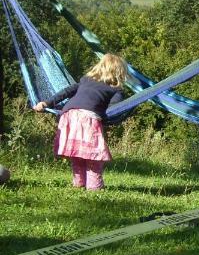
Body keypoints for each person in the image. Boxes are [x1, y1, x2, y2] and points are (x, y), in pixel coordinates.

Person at [33, 53, 128, 191]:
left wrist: (46, 103)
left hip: (68, 117)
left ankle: (79, 184)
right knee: (93, 157)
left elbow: (66, 91)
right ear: (120, 72)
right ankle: (94, 188)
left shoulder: (86, 80)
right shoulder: (116, 89)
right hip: (87, 119)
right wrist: (120, 114)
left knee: (77, 154)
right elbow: (114, 109)